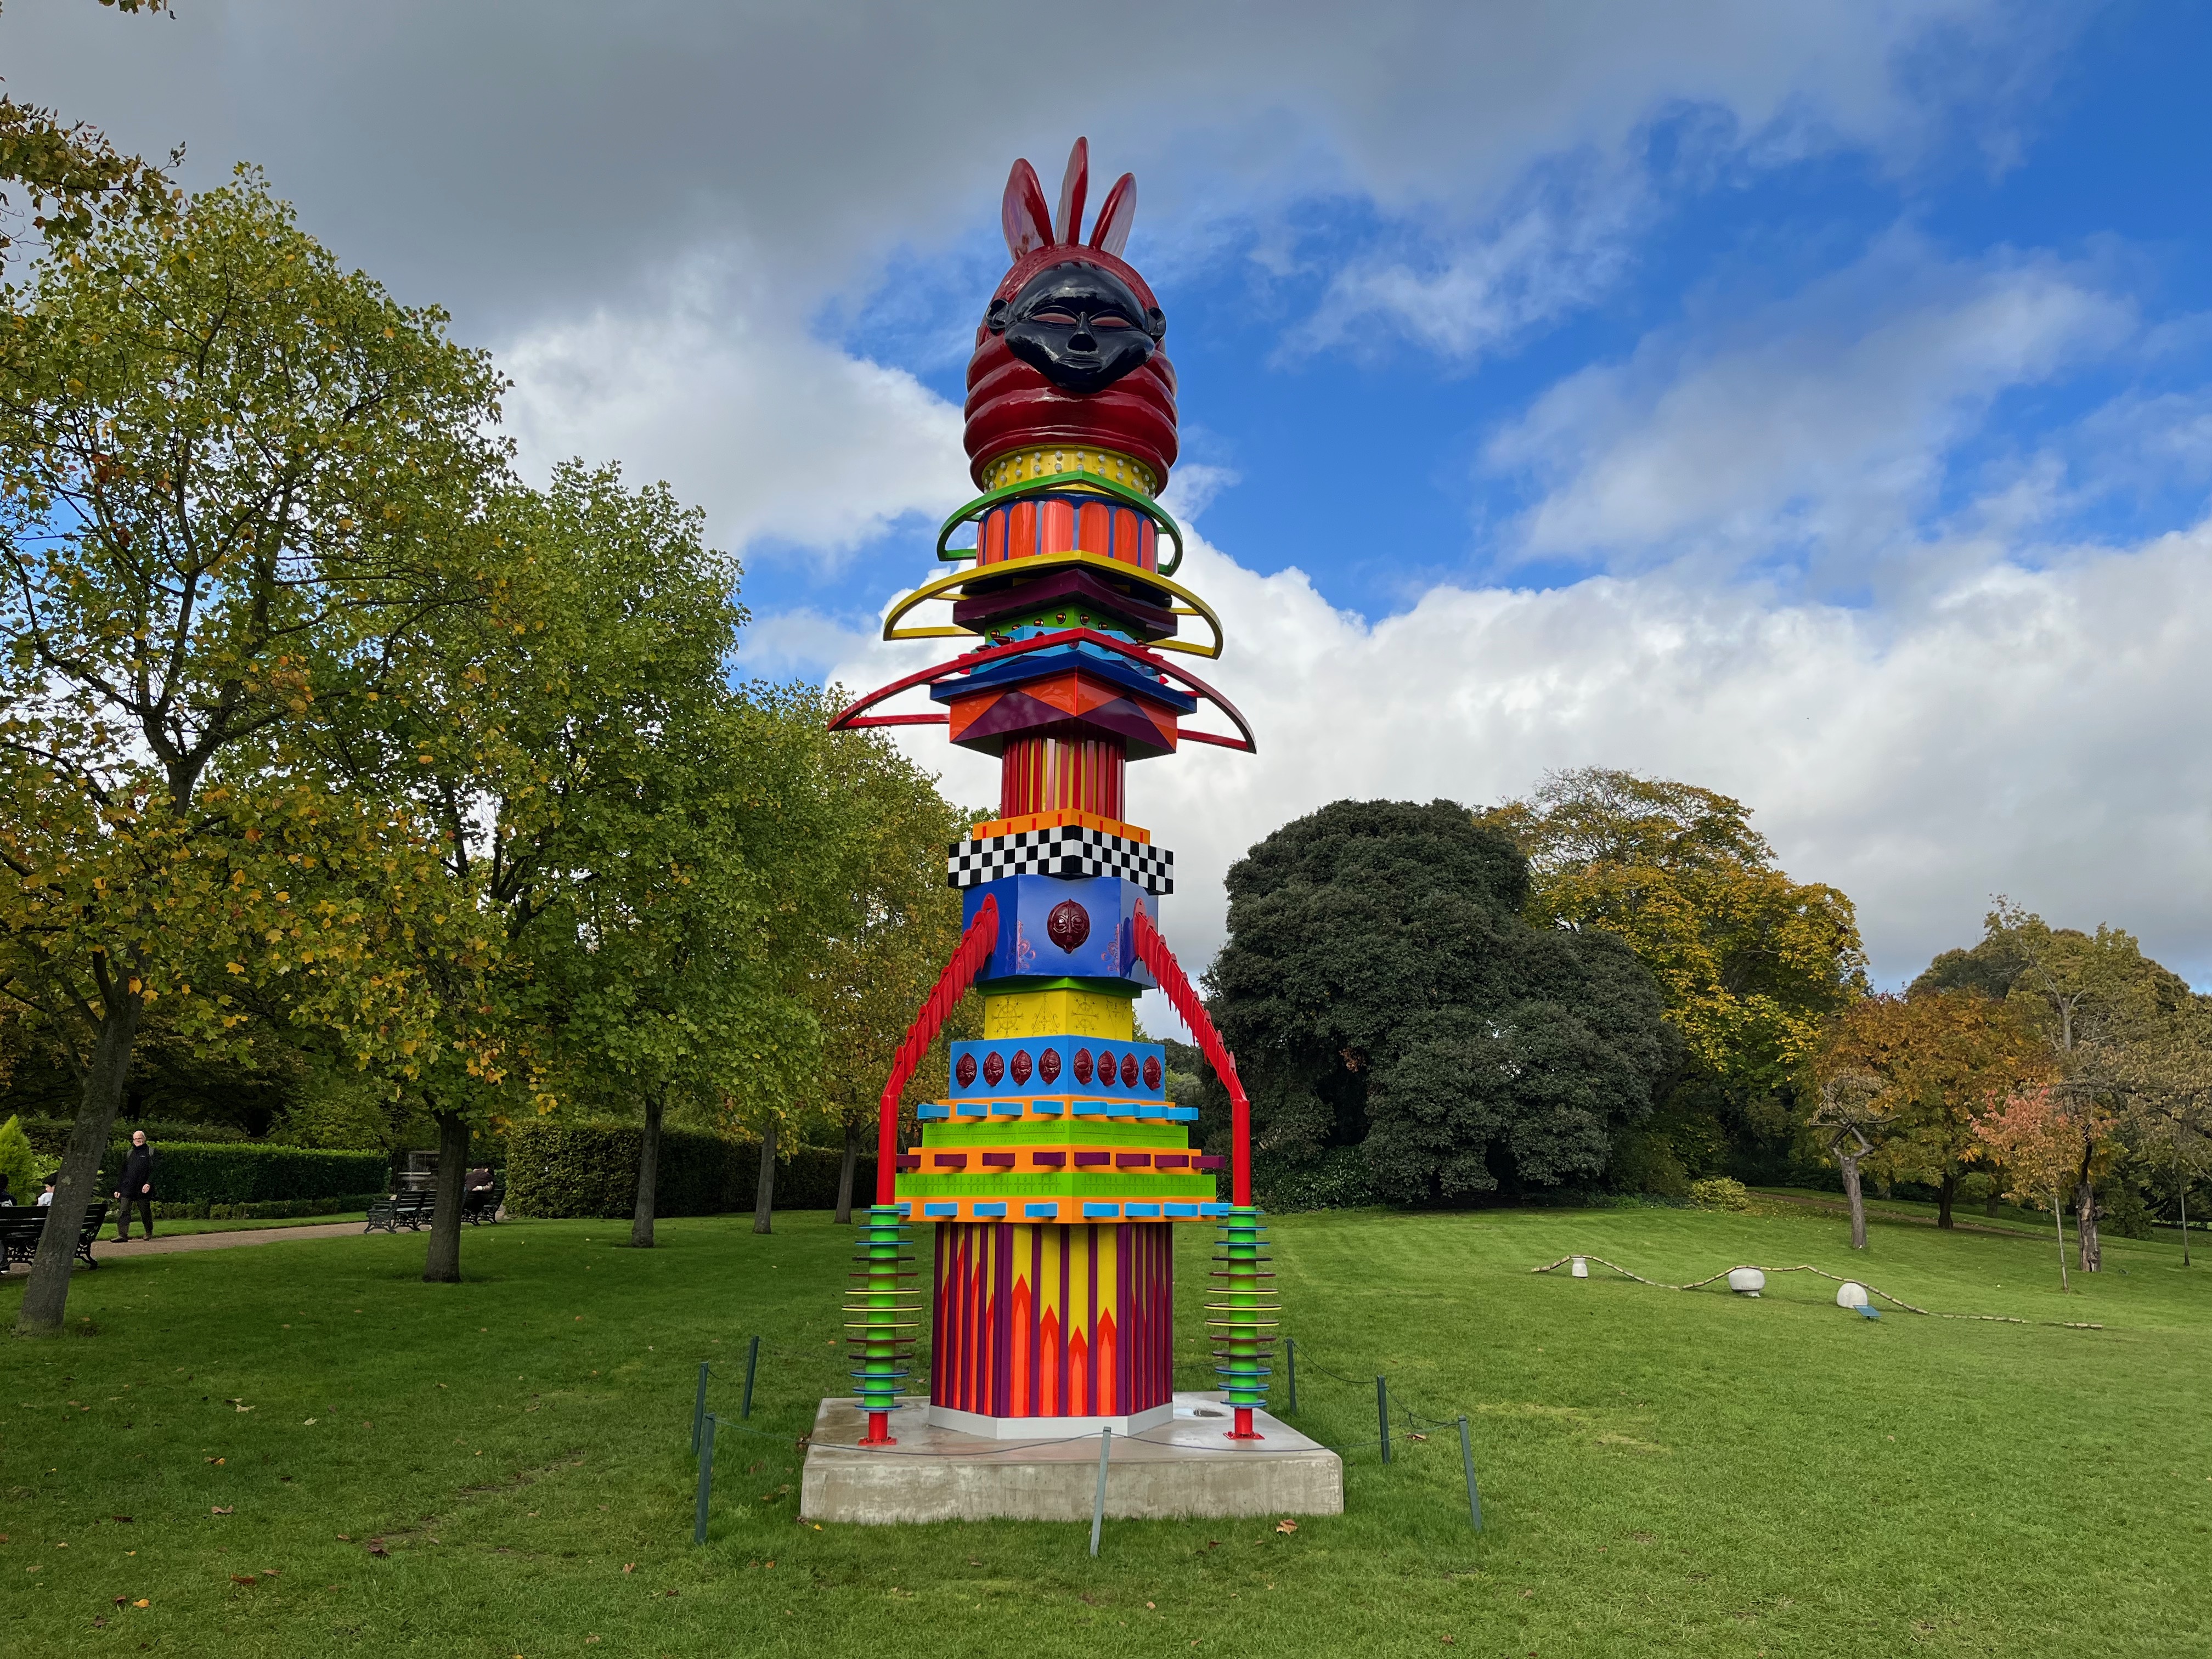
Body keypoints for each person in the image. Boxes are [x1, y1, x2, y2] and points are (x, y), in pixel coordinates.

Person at [114, 1129, 155, 1241]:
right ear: (133, 1140)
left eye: (140, 1138)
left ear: (144, 1139)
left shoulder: (150, 1152)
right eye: (136, 1139)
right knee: (123, 1211)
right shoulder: (129, 1154)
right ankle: (122, 1235)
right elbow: (122, 1172)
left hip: (142, 1188)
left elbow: (155, 1170)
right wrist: (119, 1188)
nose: (138, 1140)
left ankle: (148, 1232)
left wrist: (148, 1183)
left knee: (145, 1211)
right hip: (128, 1187)